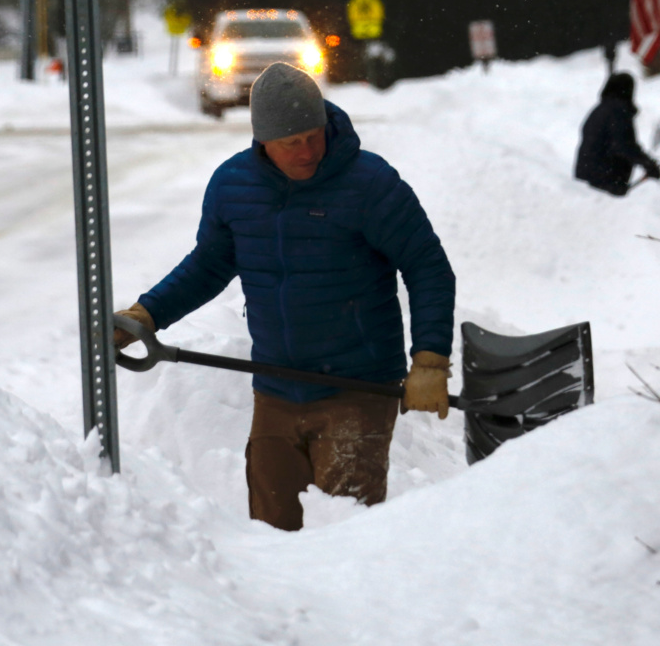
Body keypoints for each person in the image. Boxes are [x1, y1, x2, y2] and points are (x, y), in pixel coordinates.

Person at [113, 62, 456, 531]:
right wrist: (147, 314)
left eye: (314, 136)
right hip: (275, 386)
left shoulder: (369, 183)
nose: (308, 151)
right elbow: (209, 265)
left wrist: (430, 359)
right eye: (291, 142)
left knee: (346, 531)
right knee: (271, 531)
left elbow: (427, 265)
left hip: (358, 387)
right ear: (263, 140)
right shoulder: (234, 186)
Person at [574, 72, 660, 197]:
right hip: (604, 180)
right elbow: (623, 145)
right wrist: (647, 164)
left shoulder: (599, 110)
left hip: (586, 177)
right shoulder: (618, 112)